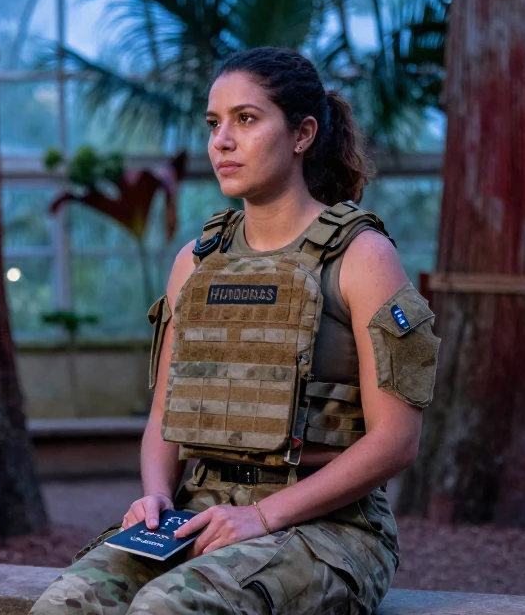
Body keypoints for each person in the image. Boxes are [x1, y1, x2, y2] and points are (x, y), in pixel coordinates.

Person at [30, 46, 440, 615]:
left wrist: (261, 516)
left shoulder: (362, 256)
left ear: (302, 134)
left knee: (166, 609)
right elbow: (164, 419)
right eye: (214, 123)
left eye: (246, 119)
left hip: (330, 531)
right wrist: (154, 494)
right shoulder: (197, 261)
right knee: (65, 603)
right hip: (202, 512)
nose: (221, 140)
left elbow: (397, 440)